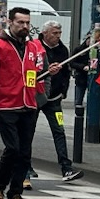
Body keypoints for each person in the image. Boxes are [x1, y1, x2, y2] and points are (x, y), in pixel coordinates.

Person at [0, 7, 54, 199]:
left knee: (24, 153)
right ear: (10, 22)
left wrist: (47, 73)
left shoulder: (33, 47)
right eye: (20, 22)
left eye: (27, 23)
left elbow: (31, 75)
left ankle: (15, 195)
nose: (24, 26)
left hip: (28, 105)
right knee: (12, 148)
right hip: (5, 105)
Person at [35, 20, 84, 182]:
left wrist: (63, 92)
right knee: (27, 132)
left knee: (59, 130)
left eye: (59, 33)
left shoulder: (63, 50)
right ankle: (25, 166)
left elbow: (66, 72)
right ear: (45, 33)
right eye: (54, 33)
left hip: (55, 99)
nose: (57, 36)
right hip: (36, 97)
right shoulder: (34, 47)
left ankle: (66, 168)